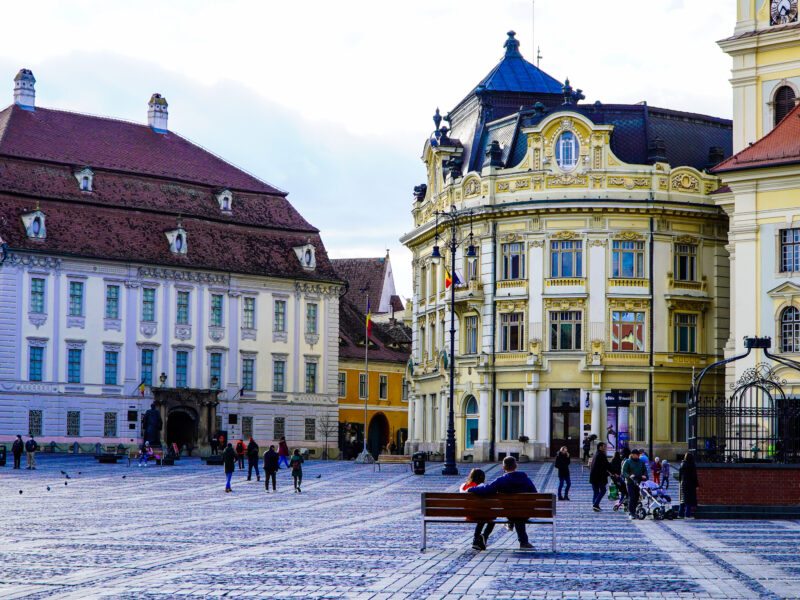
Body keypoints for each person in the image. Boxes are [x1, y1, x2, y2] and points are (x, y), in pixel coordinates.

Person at [467, 456, 536, 549]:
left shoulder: (501, 480)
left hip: (508, 512)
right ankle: (523, 542)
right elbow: (534, 494)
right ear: (516, 466)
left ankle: (511, 524)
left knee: (514, 511)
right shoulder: (525, 479)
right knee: (519, 511)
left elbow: (487, 490)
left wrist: (471, 489)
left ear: (503, 468)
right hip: (525, 512)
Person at [460, 468, 495, 551]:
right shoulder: (481, 487)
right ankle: (483, 537)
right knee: (492, 517)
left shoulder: (463, 486)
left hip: (468, 515)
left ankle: (476, 540)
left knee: (482, 514)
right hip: (479, 514)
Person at [621, 448, 648, 519]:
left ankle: (635, 511)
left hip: (638, 482)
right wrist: (629, 476)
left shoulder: (640, 462)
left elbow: (645, 470)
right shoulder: (628, 462)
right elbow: (624, 471)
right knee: (632, 497)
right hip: (630, 482)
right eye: (637, 455)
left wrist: (644, 475)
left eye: (639, 455)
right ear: (632, 455)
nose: (638, 456)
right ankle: (631, 512)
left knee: (636, 497)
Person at [589, 442, 610, 512]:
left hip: (594, 476)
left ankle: (595, 506)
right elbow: (606, 465)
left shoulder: (596, 454)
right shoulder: (601, 454)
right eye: (604, 446)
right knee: (603, 490)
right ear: (600, 447)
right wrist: (613, 473)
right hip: (599, 477)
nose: (605, 448)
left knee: (596, 492)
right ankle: (595, 504)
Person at [677, 452, 699, 518]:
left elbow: (680, 475)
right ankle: (687, 514)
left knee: (683, 499)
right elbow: (694, 476)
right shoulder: (692, 465)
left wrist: (680, 482)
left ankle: (680, 514)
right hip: (690, 484)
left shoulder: (682, 464)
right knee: (689, 500)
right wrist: (696, 484)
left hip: (683, 483)